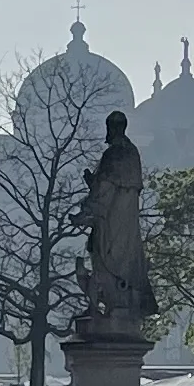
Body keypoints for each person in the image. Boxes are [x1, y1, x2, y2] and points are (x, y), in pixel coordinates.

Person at [74, 109, 154, 337]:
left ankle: (111, 303)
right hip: (127, 223)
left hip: (111, 222)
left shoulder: (114, 155)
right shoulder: (131, 153)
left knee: (105, 257)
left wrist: (86, 210)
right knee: (123, 258)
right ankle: (118, 302)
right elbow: (110, 185)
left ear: (112, 129)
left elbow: (104, 189)